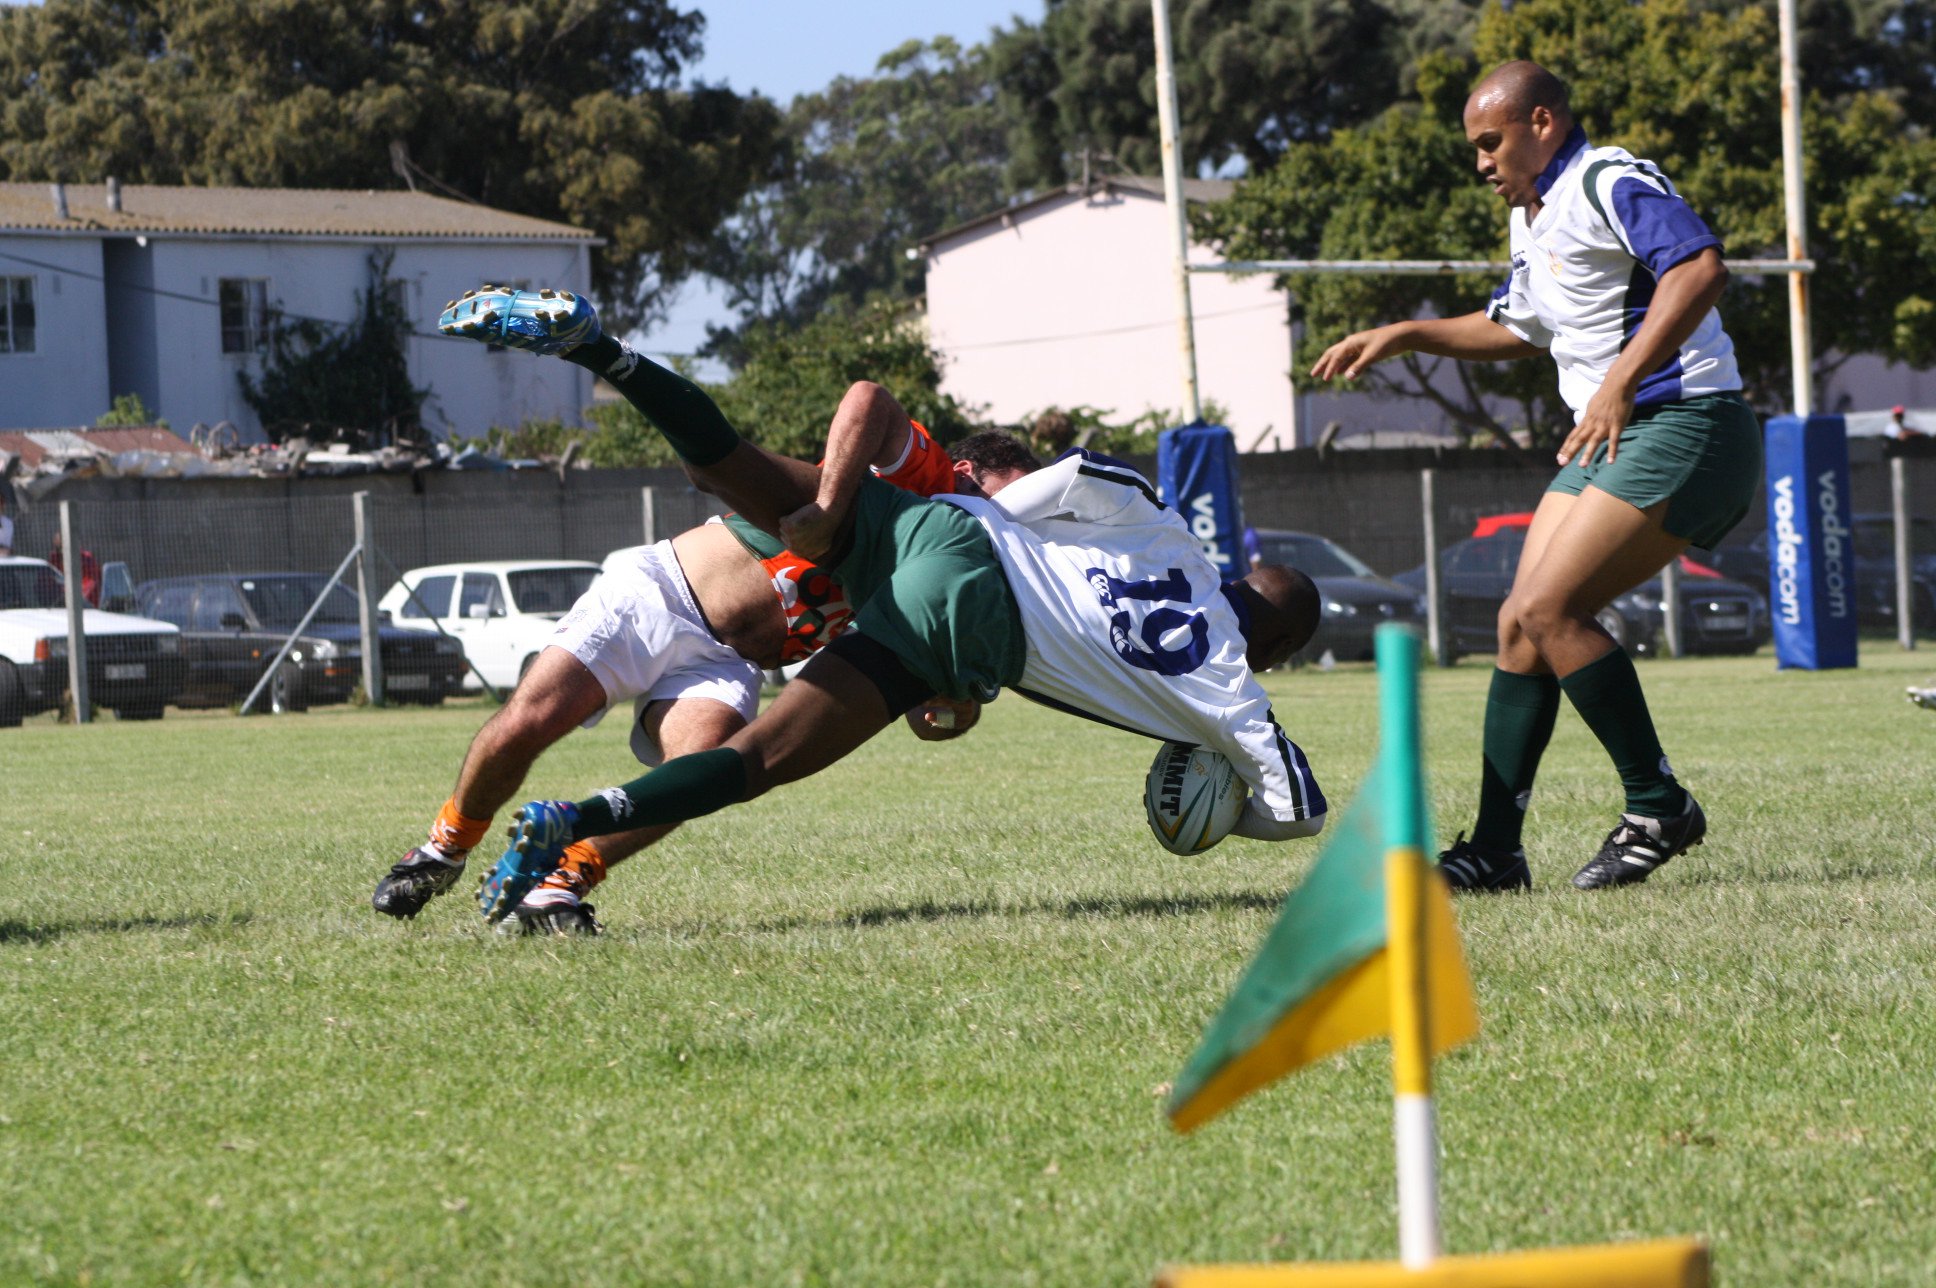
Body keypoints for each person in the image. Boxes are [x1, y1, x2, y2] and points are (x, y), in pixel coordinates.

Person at [433, 286, 1328, 922]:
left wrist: (983, 522)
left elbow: (1087, 480)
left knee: (727, 474)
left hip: (933, 552)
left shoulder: (1162, 535)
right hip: (931, 598)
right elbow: (1299, 812)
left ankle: (604, 350)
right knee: (756, 763)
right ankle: (569, 826)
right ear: (1275, 648)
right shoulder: (1226, 690)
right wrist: (1219, 799)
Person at [1311, 61, 1760, 891]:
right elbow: (1518, 328)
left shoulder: (1605, 179)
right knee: (1521, 624)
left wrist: (1620, 383)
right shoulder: (1534, 216)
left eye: (1491, 142)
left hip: (1689, 423)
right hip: (1617, 435)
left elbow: (1699, 268)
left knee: (1553, 608)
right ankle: (1494, 851)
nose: (1481, 162)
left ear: (1542, 122)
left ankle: (1659, 804)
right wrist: (1407, 332)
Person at [371, 382, 1042, 934]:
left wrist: (941, 707)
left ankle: (558, 885)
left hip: (730, 663)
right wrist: (832, 505)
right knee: (530, 720)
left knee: (700, 776)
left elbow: (925, 690)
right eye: (1000, 498)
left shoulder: (961, 564)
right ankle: (444, 847)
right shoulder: (924, 482)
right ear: (964, 473)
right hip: (664, 596)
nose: (1001, 521)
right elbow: (866, 399)